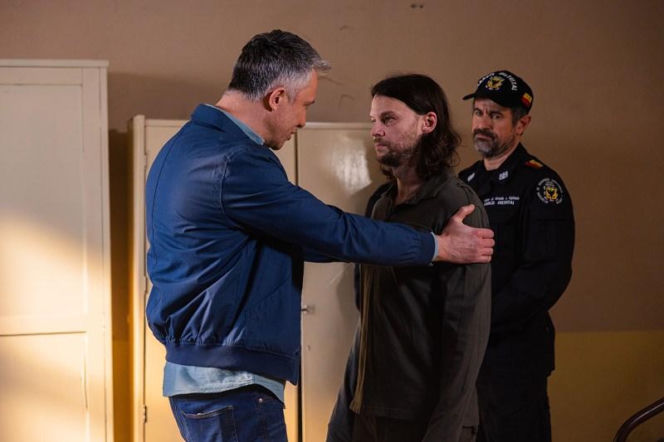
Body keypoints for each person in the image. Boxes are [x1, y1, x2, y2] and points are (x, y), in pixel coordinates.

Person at [145, 30, 495, 442]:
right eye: (304, 105)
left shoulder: (182, 148)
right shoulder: (235, 162)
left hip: (202, 378)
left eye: (388, 119)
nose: (302, 121)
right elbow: (330, 232)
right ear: (277, 98)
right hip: (231, 382)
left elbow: (464, 334)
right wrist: (437, 245)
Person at [327, 74, 492, 442]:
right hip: (369, 412)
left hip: (424, 418)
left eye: (389, 119)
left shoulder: (457, 206)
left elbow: (466, 337)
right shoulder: (382, 205)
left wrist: (445, 431)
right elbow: (370, 319)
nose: (376, 131)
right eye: (374, 120)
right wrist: (343, 415)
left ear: (427, 122)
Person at [458, 70, 575, 442]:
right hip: (468, 353)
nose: (483, 124)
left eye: (495, 115)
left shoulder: (539, 185)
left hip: (514, 353)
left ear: (521, 124)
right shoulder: (464, 183)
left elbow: (546, 274)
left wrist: (483, 319)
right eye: (479, 113)